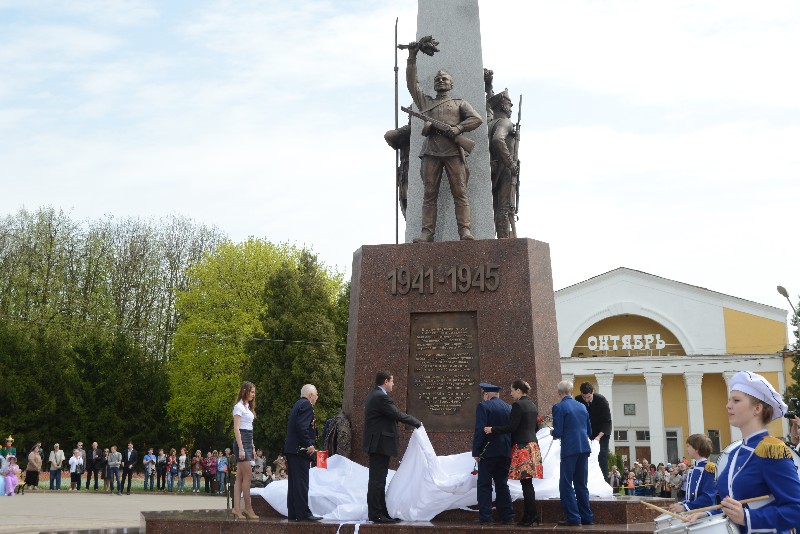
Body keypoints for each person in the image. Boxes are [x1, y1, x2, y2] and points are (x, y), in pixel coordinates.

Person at [687, 371, 800, 531]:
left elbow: (796, 510)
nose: (728, 405)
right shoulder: (734, 454)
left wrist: (748, 518)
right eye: (729, 400)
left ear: (757, 408)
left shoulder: (771, 452)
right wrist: (708, 513)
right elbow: (735, 503)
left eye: (736, 400)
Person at [404, 38, 483, 242]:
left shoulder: (459, 103)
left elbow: (477, 119)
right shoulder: (426, 103)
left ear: (451, 84)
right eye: (438, 79)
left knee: (460, 192)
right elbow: (412, 85)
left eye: (445, 79)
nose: (440, 81)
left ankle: (465, 230)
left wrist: (458, 128)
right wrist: (411, 57)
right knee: (429, 194)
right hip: (431, 152)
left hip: (454, 152)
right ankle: (426, 232)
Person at [362, 371, 421, 523]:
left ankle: (381, 513)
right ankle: (376, 514)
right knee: (377, 480)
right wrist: (417, 422)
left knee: (379, 479)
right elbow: (397, 414)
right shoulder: (380, 397)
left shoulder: (375, 394)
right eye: (392, 381)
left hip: (378, 444)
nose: (394, 384)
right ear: (386, 381)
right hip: (379, 445)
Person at [485, 379, 544, 526]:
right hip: (533, 446)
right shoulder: (531, 404)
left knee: (526, 484)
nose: (511, 394)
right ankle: (531, 515)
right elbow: (535, 427)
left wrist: (493, 429)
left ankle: (531, 516)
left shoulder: (518, 405)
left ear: (518, 390)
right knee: (528, 483)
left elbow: (511, 427)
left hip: (523, 447)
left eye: (512, 391)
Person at [471, 382, 514, 526]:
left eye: (484, 394)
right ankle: (508, 517)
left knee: (484, 485)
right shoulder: (509, 407)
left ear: (487, 395)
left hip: (488, 452)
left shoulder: (483, 406)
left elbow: (480, 430)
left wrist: (476, 451)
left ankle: (486, 517)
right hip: (505, 452)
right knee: (502, 484)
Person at [552, 380, 593, 527]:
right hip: (584, 447)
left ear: (559, 392)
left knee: (566, 483)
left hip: (570, 448)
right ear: (571, 391)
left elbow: (558, 432)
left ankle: (573, 517)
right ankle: (587, 516)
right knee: (581, 483)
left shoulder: (558, 407)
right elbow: (589, 431)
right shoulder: (582, 406)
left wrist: (551, 431)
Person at [284, 384, 321, 522]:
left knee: (294, 483)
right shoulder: (306, 406)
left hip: (292, 449)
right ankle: (303, 512)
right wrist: (309, 444)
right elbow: (301, 426)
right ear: (310, 395)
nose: (317, 398)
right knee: (301, 482)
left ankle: (293, 512)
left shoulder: (297, 405)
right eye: (316, 395)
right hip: (300, 450)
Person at [486, 88, 519, 238]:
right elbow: (498, 139)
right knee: (505, 208)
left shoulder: (490, 123)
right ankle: (504, 243)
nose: (511, 108)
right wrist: (511, 163)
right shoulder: (506, 122)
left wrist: (488, 86)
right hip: (505, 169)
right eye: (509, 104)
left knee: (497, 207)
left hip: (493, 168)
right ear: (503, 106)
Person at [574, 382, 612, 482]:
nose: (586, 399)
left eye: (588, 397)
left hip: (601, 433)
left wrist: (598, 437)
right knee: (584, 456)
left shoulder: (601, 400)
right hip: (586, 433)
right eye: (584, 397)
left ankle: (604, 482)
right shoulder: (578, 400)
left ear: (593, 392)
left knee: (601, 457)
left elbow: (606, 421)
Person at [668, 434, 715, 513]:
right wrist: (680, 504)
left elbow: (708, 497)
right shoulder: (692, 469)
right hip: (693, 511)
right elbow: (690, 497)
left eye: (688, 446)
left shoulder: (709, 469)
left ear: (696, 448)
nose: (686, 449)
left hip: (704, 514)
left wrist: (685, 507)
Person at [232, 381, 258, 520]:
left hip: (248, 442)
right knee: (248, 476)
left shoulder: (248, 407)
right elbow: (237, 429)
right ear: (244, 391)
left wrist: (252, 447)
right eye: (251, 392)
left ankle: (237, 508)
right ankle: (248, 508)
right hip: (240, 442)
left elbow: (250, 429)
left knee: (240, 478)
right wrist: (241, 448)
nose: (253, 394)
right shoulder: (238, 407)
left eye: (254, 392)